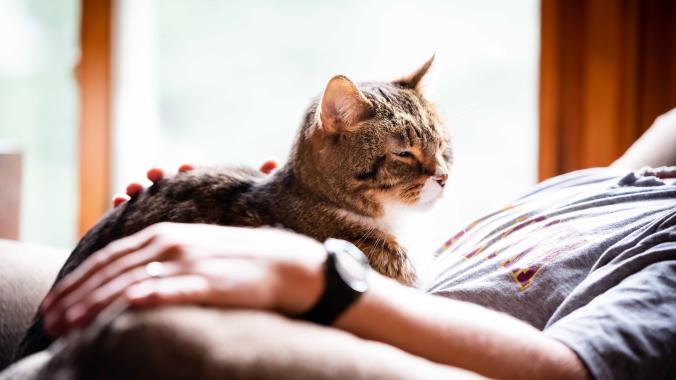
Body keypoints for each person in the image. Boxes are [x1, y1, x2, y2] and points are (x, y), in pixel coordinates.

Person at [40, 109, 676, 379]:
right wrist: (272, 197)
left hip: (353, 318)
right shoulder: (622, 179)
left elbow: (574, 371)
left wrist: (321, 274)